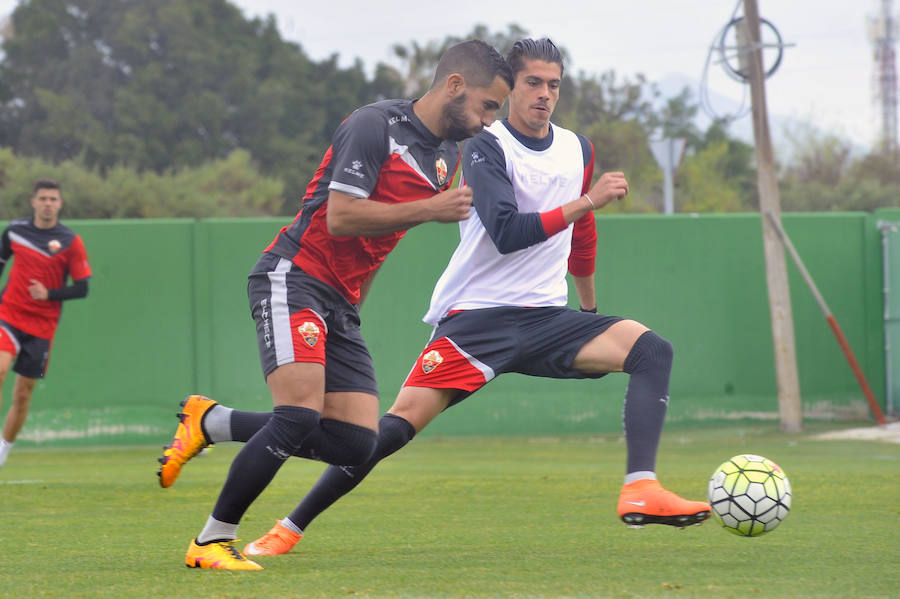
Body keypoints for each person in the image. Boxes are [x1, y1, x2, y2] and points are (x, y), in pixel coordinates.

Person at [162, 38, 711, 562]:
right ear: (492, 87)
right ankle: (267, 529)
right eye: (529, 85)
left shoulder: (550, 149)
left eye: (554, 85)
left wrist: (587, 312)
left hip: (543, 315)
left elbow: (581, 234)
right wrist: (586, 200)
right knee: (377, 428)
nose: (543, 95)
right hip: (474, 319)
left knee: (650, 350)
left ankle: (640, 487)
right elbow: (503, 230)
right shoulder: (468, 142)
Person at [157, 39, 513, 570]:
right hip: (293, 276)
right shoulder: (374, 125)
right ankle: (211, 541)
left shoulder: (447, 156)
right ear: (455, 85)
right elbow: (341, 218)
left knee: (354, 444)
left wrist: (353, 305)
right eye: (488, 105)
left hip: (339, 301)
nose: (488, 121)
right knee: (298, 413)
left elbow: (380, 244)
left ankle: (211, 422)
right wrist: (433, 208)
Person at [0, 179, 91, 469]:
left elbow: (82, 288)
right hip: (9, 315)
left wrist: (48, 294)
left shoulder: (70, 241)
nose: (47, 203)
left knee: (23, 393)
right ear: (33, 202)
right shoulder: (14, 232)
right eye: (43, 198)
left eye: (53, 198)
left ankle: (3, 451)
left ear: (60, 204)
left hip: (43, 328)